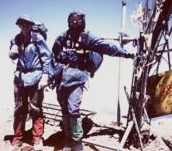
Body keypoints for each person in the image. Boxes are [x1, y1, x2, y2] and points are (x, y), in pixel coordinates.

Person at [51, 11, 134, 151]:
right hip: (61, 77)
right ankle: (67, 137)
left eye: (78, 22)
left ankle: (77, 142)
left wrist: (126, 53)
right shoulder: (62, 37)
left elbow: (106, 46)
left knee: (73, 109)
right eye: (72, 21)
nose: (75, 24)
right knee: (64, 108)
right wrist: (51, 76)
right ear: (68, 22)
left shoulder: (87, 37)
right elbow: (54, 56)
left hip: (77, 77)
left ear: (83, 23)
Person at [9, 15, 52, 151]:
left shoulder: (37, 39)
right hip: (20, 76)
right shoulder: (15, 39)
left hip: (35, 76)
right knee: (19, 108)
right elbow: (12, 55)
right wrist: (12, 53)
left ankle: (37, 139)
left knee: (36, 108)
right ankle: (17, 138)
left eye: (27, 24)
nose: (24, 26)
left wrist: (45, 76)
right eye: (21, 24)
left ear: (31, 25)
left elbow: (46, 57)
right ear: (18, 25)